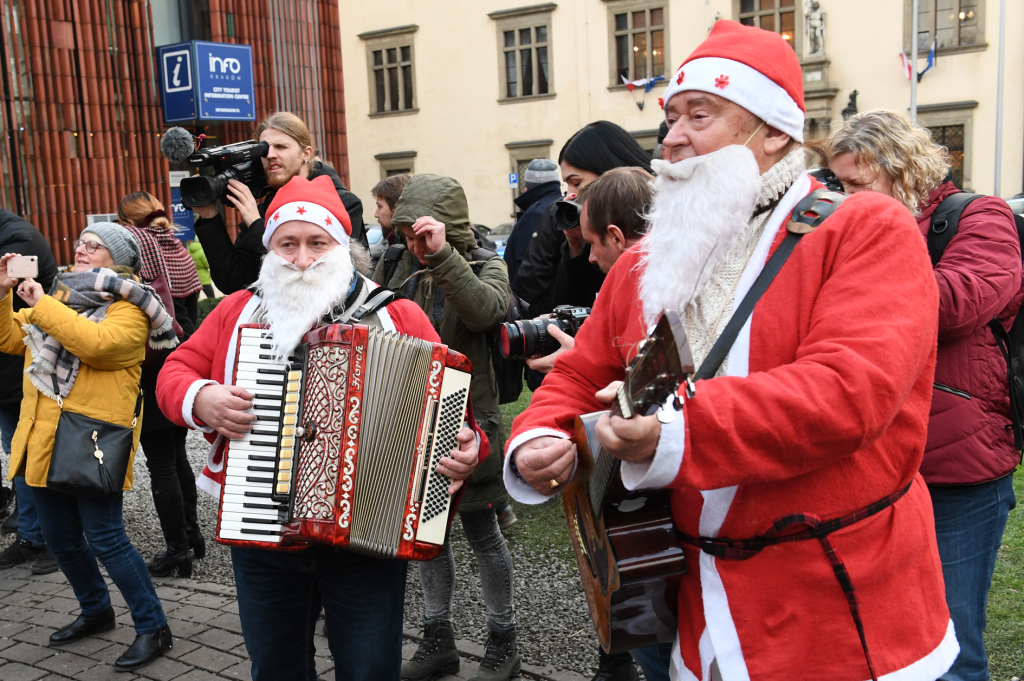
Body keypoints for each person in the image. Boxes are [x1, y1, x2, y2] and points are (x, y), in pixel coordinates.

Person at [506, 20, 957, 681]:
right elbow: (579, 373)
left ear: (773, 132)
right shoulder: (645, 264)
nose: (672, 137)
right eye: (670, 118)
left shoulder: (866, 228)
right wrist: (539, 437)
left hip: (840, 616)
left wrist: (670, 430)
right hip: (698, 611)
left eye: (700, 114)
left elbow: (847, 393)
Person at [157, 175, 483, 681]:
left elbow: (454, 424)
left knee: (370, 670)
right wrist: (202, 397)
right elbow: (173, 373)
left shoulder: (399, 316)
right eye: (287, 244)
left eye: (317, 243)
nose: (303, 259)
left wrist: (469, 449)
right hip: (261, 536)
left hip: (366, 543)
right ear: (269, 248)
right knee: (276, 670)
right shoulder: (235, 310)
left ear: (343, 247)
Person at [825, 109, 1021, 681]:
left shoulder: (978, 215)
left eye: (856, 184)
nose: (846, 197)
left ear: (901, 168)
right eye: (838, 184)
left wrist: (857, 272)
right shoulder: (853, 226)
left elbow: (965, 300)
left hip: (957, 466)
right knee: (876, 640)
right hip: (873, 461)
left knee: (953, 648)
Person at [0, 223, 175, 671]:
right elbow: (8, 339)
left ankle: (153, 626)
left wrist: (40, 305)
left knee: (107, 539)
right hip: (43, 437)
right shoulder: (62, 298)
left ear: (117, 259)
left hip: (92, 440)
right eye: (79, 242)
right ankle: (96, 609)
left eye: (93, 245)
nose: (80, 248)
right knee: (59, 538)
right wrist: (5, 295)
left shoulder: (132, 306)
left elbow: (98, 345)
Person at [374, 174, 518, 681]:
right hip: (411, 420)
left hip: (468, 424)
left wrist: (441, 256)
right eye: (407, 233)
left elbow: (485, 313)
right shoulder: (394, 263)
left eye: (423, 233)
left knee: (482, 531)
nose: (414, 243)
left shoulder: (484, 262)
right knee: (426, 535)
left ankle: (504, 638)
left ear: (448, 225)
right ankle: (439, 639)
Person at [527, 167, 664, 681]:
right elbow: (585, 371)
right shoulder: (630, 274)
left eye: (591, 244)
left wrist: (619, 386)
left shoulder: (646, 269)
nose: (588, 258)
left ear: (613, 236)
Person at [118, 191, 205, 577]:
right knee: (177, 457)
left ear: (126, 223)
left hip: (153, 367)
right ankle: (192, 534)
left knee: (161, 463)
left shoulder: (140, 251)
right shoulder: (176, 248)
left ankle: (177, 550)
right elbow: (190, 310)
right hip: (182, 363)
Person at [192, 112, 366, 294]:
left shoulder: (344, 204)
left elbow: (331, 279)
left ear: (305, 154)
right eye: (264, 150)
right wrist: (209, 215)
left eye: (281, 147)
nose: (271, 155)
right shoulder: (264, 208)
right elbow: (233, 281)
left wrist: (257, 226)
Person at [514, 121, 651, 319]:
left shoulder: (660, 220)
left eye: (577, 183)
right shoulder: (562, 217)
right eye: (567, 184)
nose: (570, 194)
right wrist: (574, 247)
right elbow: (561, 305)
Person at [0, 209, 58, 574]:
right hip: (9, 372)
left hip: (22, 372)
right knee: (18, 456)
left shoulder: (17, 242)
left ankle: (56, 538)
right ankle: (32, 534)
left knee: (39, 457)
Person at [503, 159, 562, 288]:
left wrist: (516, 302)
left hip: (537, 306)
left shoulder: (535, 214)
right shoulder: (562, 208)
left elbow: (527, 272)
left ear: (527, 188)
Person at [372, 172, 411, 246]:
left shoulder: (413, 249)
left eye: (380, 207)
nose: (376, 214)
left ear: (396, 207)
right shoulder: (398, 243)